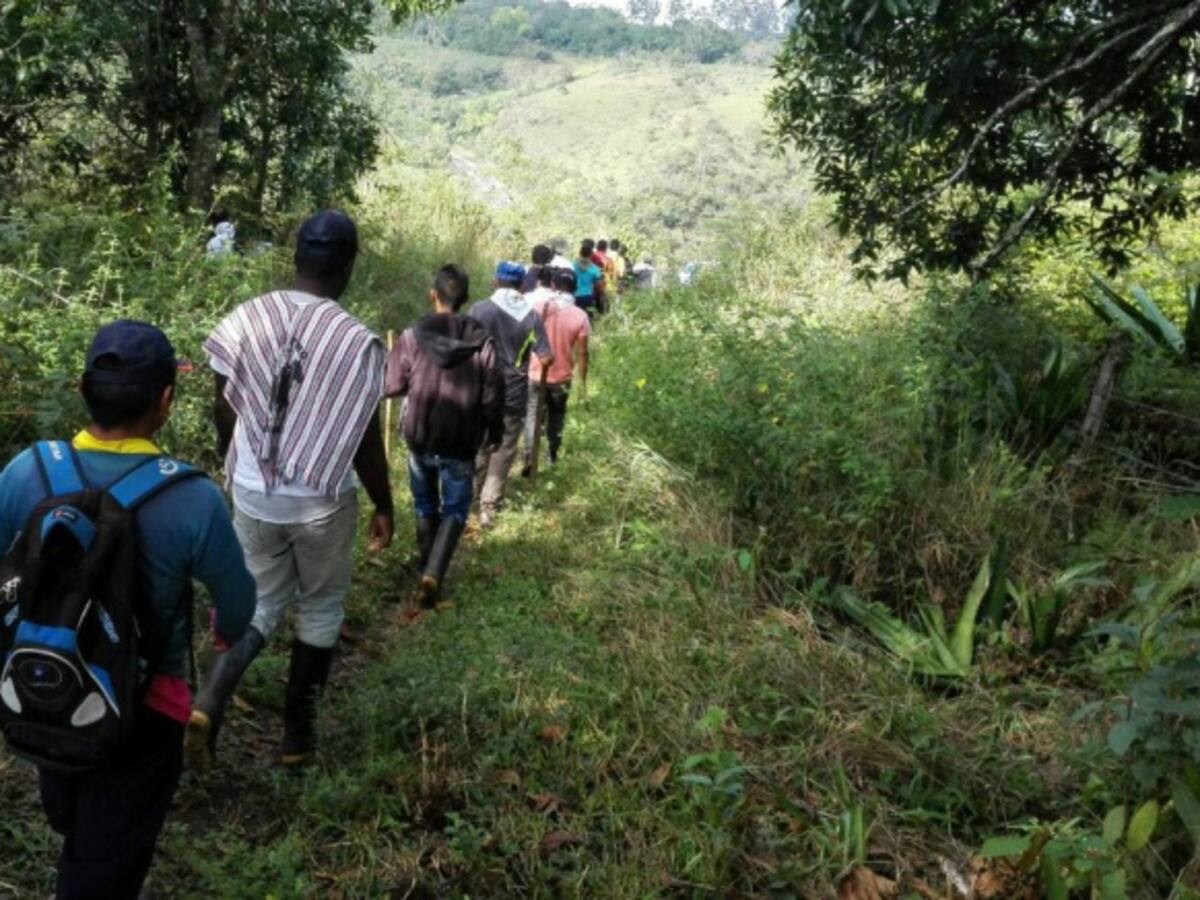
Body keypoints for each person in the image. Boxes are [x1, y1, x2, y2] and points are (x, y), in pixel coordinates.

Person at [0, 320, 256, 899]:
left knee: (74, 811)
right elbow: (239, 607)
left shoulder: (26, 472)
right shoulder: (192, 498)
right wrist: (223, 631)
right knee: (104, 861)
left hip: (45, 689)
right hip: (144, 712)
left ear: (81, 388)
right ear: (166, 400)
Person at [193, 209, 394, 769]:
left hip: (254, 491)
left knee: (259, 602)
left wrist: (237, 459)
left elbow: (222, 404)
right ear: (349, 265)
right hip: (321, 501)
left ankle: (210, 699)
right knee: (321, 605)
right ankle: (297, 741)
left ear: (294, 256)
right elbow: (364, 442)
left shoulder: (246, 318)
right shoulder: (357, 343)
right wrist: (384, 504)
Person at [385, 265, 502, 605]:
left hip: (420, 436)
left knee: (425, 502)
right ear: (465, 298)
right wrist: (493, 433)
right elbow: (492, 394)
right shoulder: (481, 339)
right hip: (461, 440)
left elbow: (392, 385)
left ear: (432, 294)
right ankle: (433, 574)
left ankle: (427, 569)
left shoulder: (412, 335)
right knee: (455, 508)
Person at [467, 261, 553, 528]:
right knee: (503, 448)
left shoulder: (479, 310)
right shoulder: (530, 315)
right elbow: (547, 357)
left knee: (480, 442)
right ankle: (488, 506)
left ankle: (471, 495)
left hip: (480, 389)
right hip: (513, 391)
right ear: (521, 284)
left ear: (496, 281)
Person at [524, 268, 590, 471]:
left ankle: (529, 456)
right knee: (557, 417)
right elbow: (582, 353)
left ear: (553, 286)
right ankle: (552, 455)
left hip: (535, 371)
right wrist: (583, 381)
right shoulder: (580, 316)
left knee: (533, 414)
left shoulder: (536, 307)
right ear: (575, 289)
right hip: (561, 378)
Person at [572, 240, 606, 318]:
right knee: (588, 319)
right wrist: (602, 294)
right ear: (591, 254)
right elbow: (599, 285)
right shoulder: (594, 269)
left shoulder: (573, 266)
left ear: (580, 253)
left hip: (574, 297)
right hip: (588, 297)